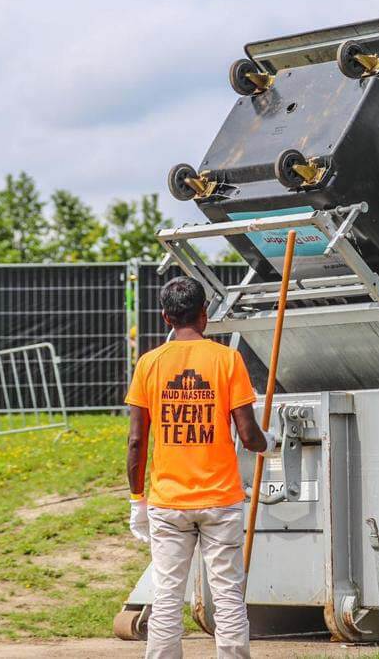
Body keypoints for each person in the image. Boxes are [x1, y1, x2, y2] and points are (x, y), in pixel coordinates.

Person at [125, 276, 277, 659]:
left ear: (165, 317)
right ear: (205, 316)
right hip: (220, 500)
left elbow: (136, 442)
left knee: (166, 596)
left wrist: (136, 499)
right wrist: (269, 445)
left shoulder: (149, 364)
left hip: (168, 501)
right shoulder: (227, 360)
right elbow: (248, 434)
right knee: (227, 596)